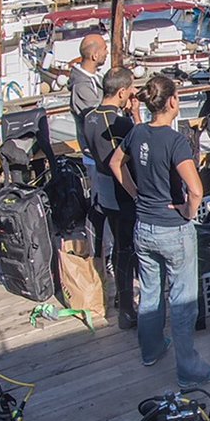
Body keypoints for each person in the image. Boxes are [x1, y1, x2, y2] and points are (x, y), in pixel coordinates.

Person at [110, 75, 210, 387]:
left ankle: (151, 349)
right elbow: (196, 189)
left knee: (150, 292)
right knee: (183, 301)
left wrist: (134, 194)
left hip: (143, 224)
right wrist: (188, 210)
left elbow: (116, 163)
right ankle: (188, 368)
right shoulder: (175, 142)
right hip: (172, 227)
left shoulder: (136, 132)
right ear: (172, 102)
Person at [80, 66, 140, 329]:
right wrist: (135, 115)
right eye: (132, 89)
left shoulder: (89, 117)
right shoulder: (120, 123)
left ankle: (120, 298)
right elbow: (140, 144)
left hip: (103, 187)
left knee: (118, 244)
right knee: (126, 247)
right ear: (123, 91)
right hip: (122, 190)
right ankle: (127, 308)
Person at [70, 33, 107, 153]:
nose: (107, 53)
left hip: (103, 146)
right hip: (94, 152)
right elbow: (95, 116)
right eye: (104, 49)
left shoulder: (97, 77)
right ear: (94, 56)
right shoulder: (81, 86)